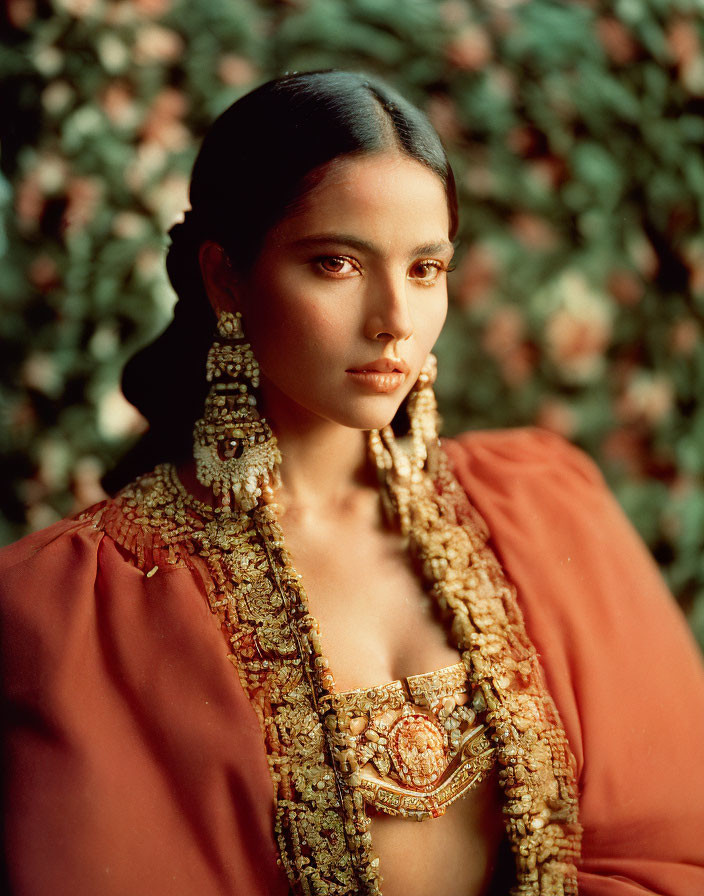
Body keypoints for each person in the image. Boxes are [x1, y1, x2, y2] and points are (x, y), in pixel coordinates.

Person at [1, 70, 703, 896]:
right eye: (336, 263)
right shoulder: (73, 606)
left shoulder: (548, 507)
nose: (394, 320)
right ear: (226, 277)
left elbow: (670, 849)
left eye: (424, 269)